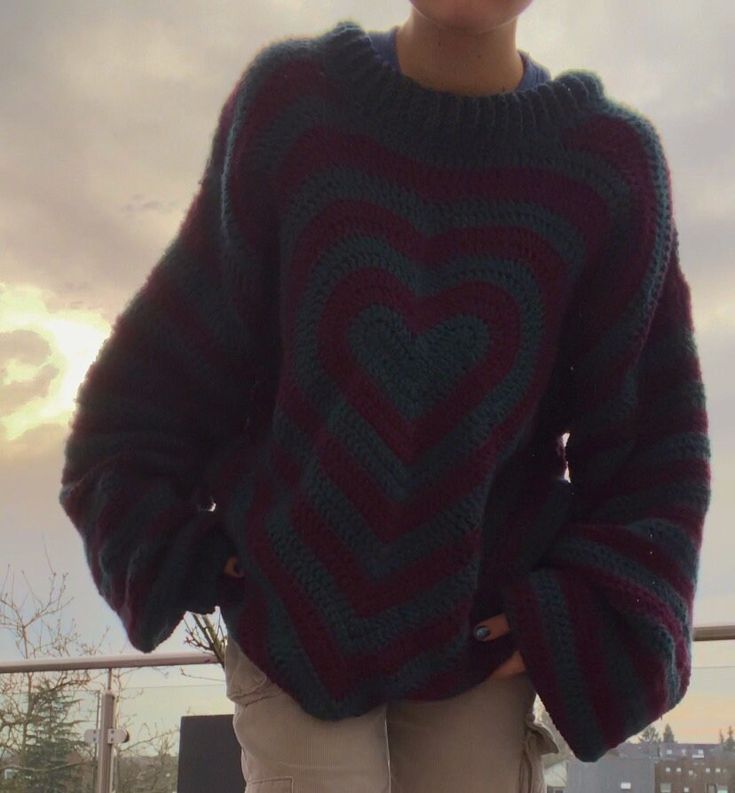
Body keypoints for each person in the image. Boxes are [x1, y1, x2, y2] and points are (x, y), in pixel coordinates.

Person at [58, 0, 712, 790]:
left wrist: (577, 616)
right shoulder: (294, 107)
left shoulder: (607, 166)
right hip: (292, 623)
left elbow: (652, 441)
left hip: (478, 642)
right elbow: (162, 374)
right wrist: (200, 557)